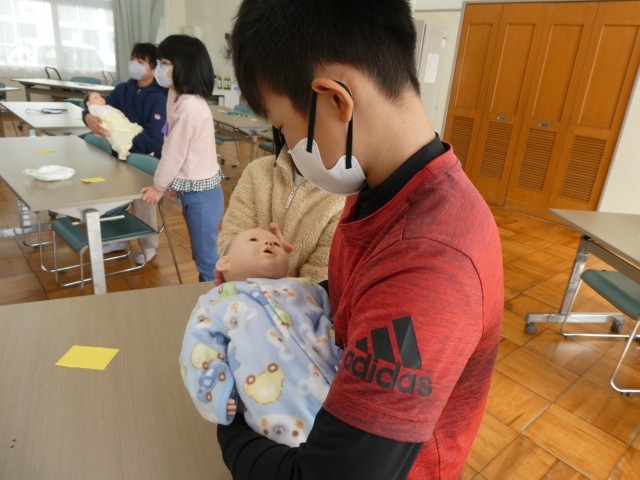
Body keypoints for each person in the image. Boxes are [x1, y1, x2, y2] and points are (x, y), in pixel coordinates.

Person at [217, 1, 504, 479]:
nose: (288, 148)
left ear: (335, 100)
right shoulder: (378, 189)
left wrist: (227, 413)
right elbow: (349, 300)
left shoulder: (433, 262)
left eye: (284, 129)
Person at [180, 228, 342, 447]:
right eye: (253, 240)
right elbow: (199, 348)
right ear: (224, 263)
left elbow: (336, 320)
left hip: (338, 388)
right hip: (276, 404)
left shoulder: (308, 287)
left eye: (276, 243)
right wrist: (217, 393)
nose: (269, 244)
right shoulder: (216, 300)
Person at [140, 35, 224, 283]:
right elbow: (175, 146)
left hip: (203, 195)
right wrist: (173, 183)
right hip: (194, 189)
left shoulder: (189, 106)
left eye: (165, 63)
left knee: (206, 259)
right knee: (202, 254)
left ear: (185, 67)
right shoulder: (176, 95)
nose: (159, 69)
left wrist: (159, 186)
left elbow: (174, 152)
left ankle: (214, 298)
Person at [218, 130, 345, 283]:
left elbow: (321, 279)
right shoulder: (257, 170)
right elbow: (231, 238)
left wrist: (275, 277)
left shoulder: (345, 196)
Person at [83, 42, 168, 265]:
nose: (134, 64)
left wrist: (127, 151)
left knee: (143, 199)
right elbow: (100, 106)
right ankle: (118, 239)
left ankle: (148, 246)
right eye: (132, 59)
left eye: (140, 61)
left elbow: (154, 136)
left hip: (144, 157)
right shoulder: (123, 89)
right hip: (119, 155)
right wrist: (87, 116)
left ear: (153, 68)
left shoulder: (160, 97)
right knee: (109, 192)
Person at [83, 92, 143, 160]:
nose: (101, 98)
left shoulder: (107, 106)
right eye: (96, 98)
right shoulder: (94, 108)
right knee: (116, 137)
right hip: (112, 127)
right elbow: (99, 121)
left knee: (131, 132)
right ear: (88, 103)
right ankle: (123, 150)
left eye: (101, 97)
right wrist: (103, 130)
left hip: (122, 123)